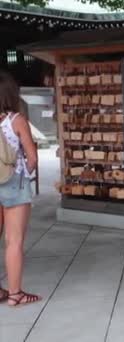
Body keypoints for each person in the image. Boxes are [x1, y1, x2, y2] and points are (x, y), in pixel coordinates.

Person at [0, 70, 40, 306]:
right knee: (14, 241)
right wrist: (27, 168)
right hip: (14, 184)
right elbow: (33, 158)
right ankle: (15, 294)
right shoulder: (16, 120)